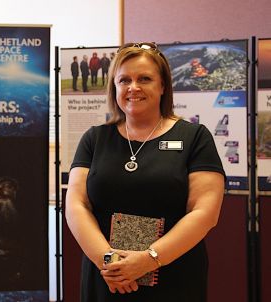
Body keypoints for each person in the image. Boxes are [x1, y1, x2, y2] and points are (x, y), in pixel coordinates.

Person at [65, 42, 225, 301]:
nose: (133, 87)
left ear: (162, 87)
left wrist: (149, 259)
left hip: (173, 275)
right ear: (114, 88)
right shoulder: (94, 139)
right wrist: (109, 261)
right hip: (107, 277)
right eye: (124, 80)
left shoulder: (194, 137)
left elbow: (205, 213)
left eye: (145, 79)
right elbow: (76, 203)